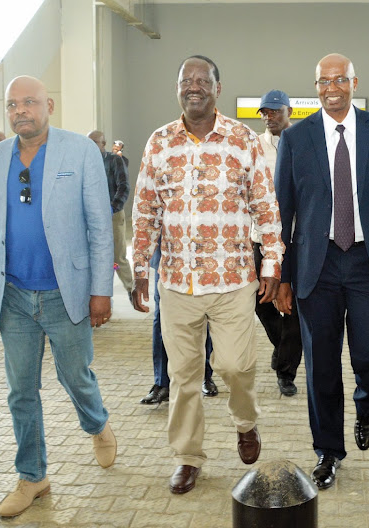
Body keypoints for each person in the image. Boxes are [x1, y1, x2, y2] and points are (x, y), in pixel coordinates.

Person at [131, 55, 284, 495]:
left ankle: (245, 421)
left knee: (236, 365)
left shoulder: (241, 140)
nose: (193, 86)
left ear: (218, 88)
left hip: (233, 278)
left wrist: (271, 264)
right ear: (178, 88)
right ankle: (186, 456)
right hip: (177, 281)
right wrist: (140, 269)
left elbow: (265, 205)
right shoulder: (159, 142)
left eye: (202, 80)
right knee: (184, 375)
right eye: (186, 80)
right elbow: (145, 212)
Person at [274, 53, 369, 490]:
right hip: (313, 265)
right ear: (315, 86)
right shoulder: (296, 138)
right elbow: (282, 213)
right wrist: (281, 275)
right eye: (324, 81)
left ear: (355, 82)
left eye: (340, 80)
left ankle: (366, 405)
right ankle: (327, 451)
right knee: (320, 362)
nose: (332, 88)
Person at [0, 76, 116, 518]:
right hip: (12, 293)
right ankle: (32, 477)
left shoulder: (79, 151)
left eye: (29, 102)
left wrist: (100, 292)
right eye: (12, 104)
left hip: (64, 292)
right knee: (21, 391)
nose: (21, 110)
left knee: (75, 377)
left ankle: (97, 423)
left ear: (48, 105)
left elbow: (99, 226)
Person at [254, 89, 302, 397]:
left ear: (289, 112)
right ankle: (283, 349)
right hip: (259, 238)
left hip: (298, 239)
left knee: (296, 308)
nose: (270, 117)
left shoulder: (305, 143)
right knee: (261, 302)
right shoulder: (254, 147)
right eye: (265, 113)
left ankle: (286, 372)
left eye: (275, 111)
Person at [140, 239, 218, 405]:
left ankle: (205, 375)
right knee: (162, 317)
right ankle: (162, 383)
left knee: (204, 314)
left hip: (205, 255)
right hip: (168, 258)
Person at [88, 130, 133, 303]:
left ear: (103, 144)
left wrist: (112, 207)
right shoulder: (86, 163)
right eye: (89, 142)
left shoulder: (114, 160)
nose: (91, 145)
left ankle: (131, 289)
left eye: (95, 142)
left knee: (117, 256)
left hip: (112, 215)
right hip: (91, 216)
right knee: (95, 258)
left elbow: (124, 186)